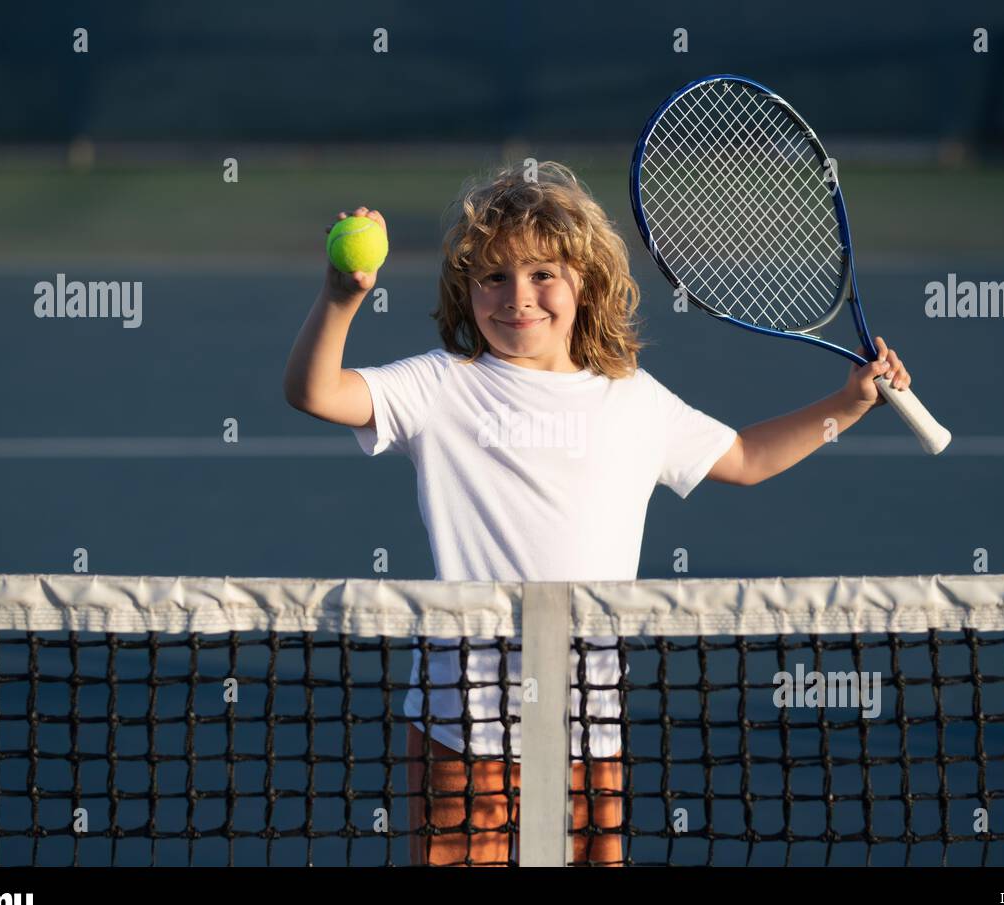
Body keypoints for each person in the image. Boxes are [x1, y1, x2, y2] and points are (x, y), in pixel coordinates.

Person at [282, 161, 913, 865]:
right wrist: (342, 297)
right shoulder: (440, 386)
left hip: (589, 726)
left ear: (586, 283)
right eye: (494, 277)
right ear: (468, 292)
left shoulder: (632, 398)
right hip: (464, 724)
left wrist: (848, 404)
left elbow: (746, 457)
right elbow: (317, 392)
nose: (519, 296)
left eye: (543, 273)